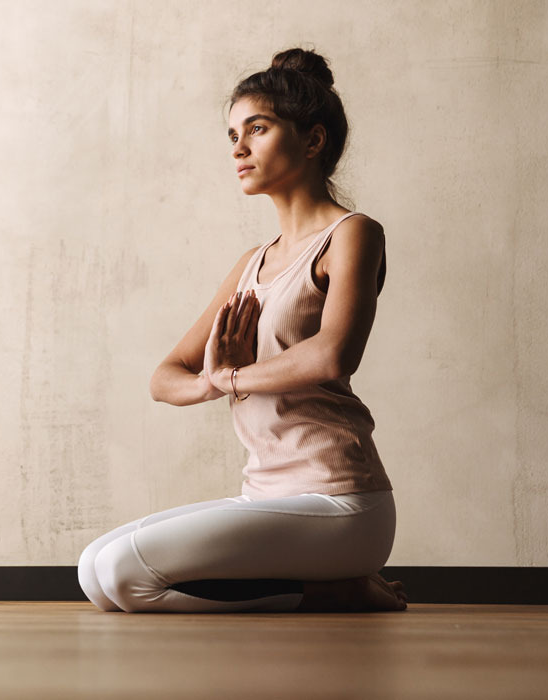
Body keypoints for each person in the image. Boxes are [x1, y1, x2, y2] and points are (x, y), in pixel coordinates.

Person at [77, 48, 408, 613]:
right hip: (265, 497)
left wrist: (234, 376)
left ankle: (338, 584)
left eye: (257, 128)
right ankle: (330, 589)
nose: (238, 147)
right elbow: (165, 378)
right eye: (233, 132)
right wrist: (215, 380)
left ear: (313, 140)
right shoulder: (252, 263)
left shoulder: (353, 235)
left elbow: (332, 357)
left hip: (339, 501)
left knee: (124, 574)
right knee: (95, 572)